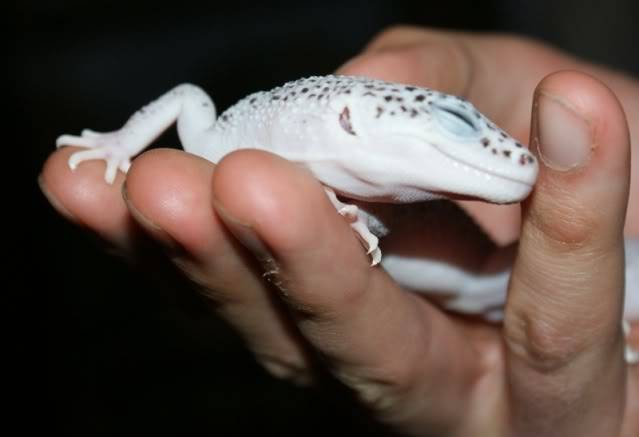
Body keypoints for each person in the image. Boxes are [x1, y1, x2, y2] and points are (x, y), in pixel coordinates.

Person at [40, 26, 638, 436]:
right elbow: (188, 96)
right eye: (458, 121)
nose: (508, 154)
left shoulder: (364, 200)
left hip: (486, 280)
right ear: (351, 116)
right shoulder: (216, 144)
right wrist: (120, 142)